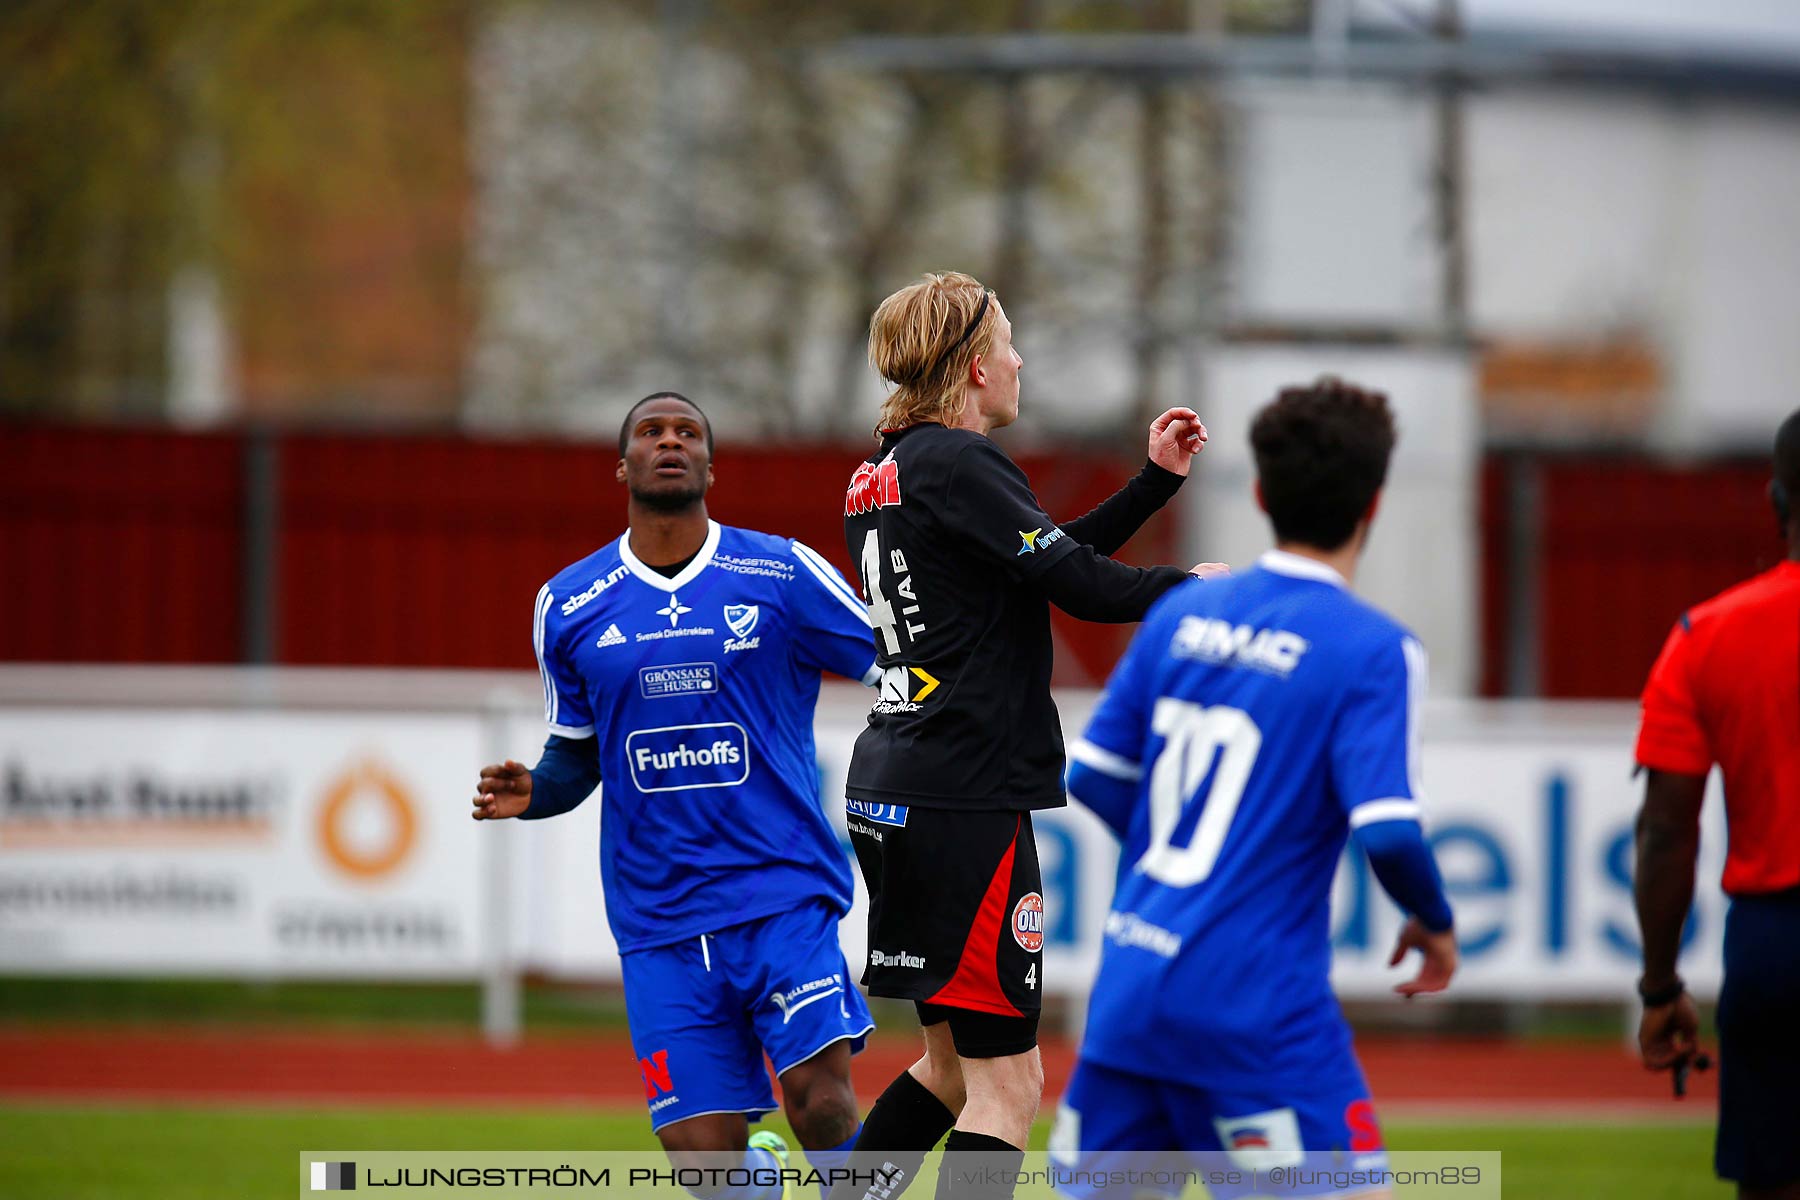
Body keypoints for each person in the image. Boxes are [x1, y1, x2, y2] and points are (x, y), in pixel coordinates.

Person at [837, 271, 1226, 1200]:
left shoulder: (883, 470)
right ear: (975, 365)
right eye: (1008, 344)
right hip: (961, 799)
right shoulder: (960, 464)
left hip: (897, 782)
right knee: (1009, 1086)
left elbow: (1037, 565)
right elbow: (1083, 586)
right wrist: (1196, 585)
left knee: (948, 1070)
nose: (1019, 362)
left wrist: (1150, 486)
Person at [1054, 378, 1458, 1200]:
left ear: (1264, 493)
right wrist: (1436, 921)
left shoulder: (1183, 614)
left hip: (1131, 987)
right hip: (1254, 1006)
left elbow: (1092, 776)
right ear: (1372, 504)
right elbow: (1388, 831)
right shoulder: (1374, 648)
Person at [472, 392, 880, 1198]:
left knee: (824, 1106)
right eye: (650, 433)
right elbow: (576, 757)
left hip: (780, 893)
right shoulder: (570, 604)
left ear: (709, 465)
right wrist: (538, 790)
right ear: (622, 465)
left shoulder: (781, 572)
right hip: (659, 921)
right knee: (707, 1167)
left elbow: (896, 668)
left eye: (686, 433)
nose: (669, 442)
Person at [1633, 406, 1800, 1200]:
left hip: (1778, 942)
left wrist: (1660, 988)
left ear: (1776, 502)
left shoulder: (1710, 634)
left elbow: (1668, 831)